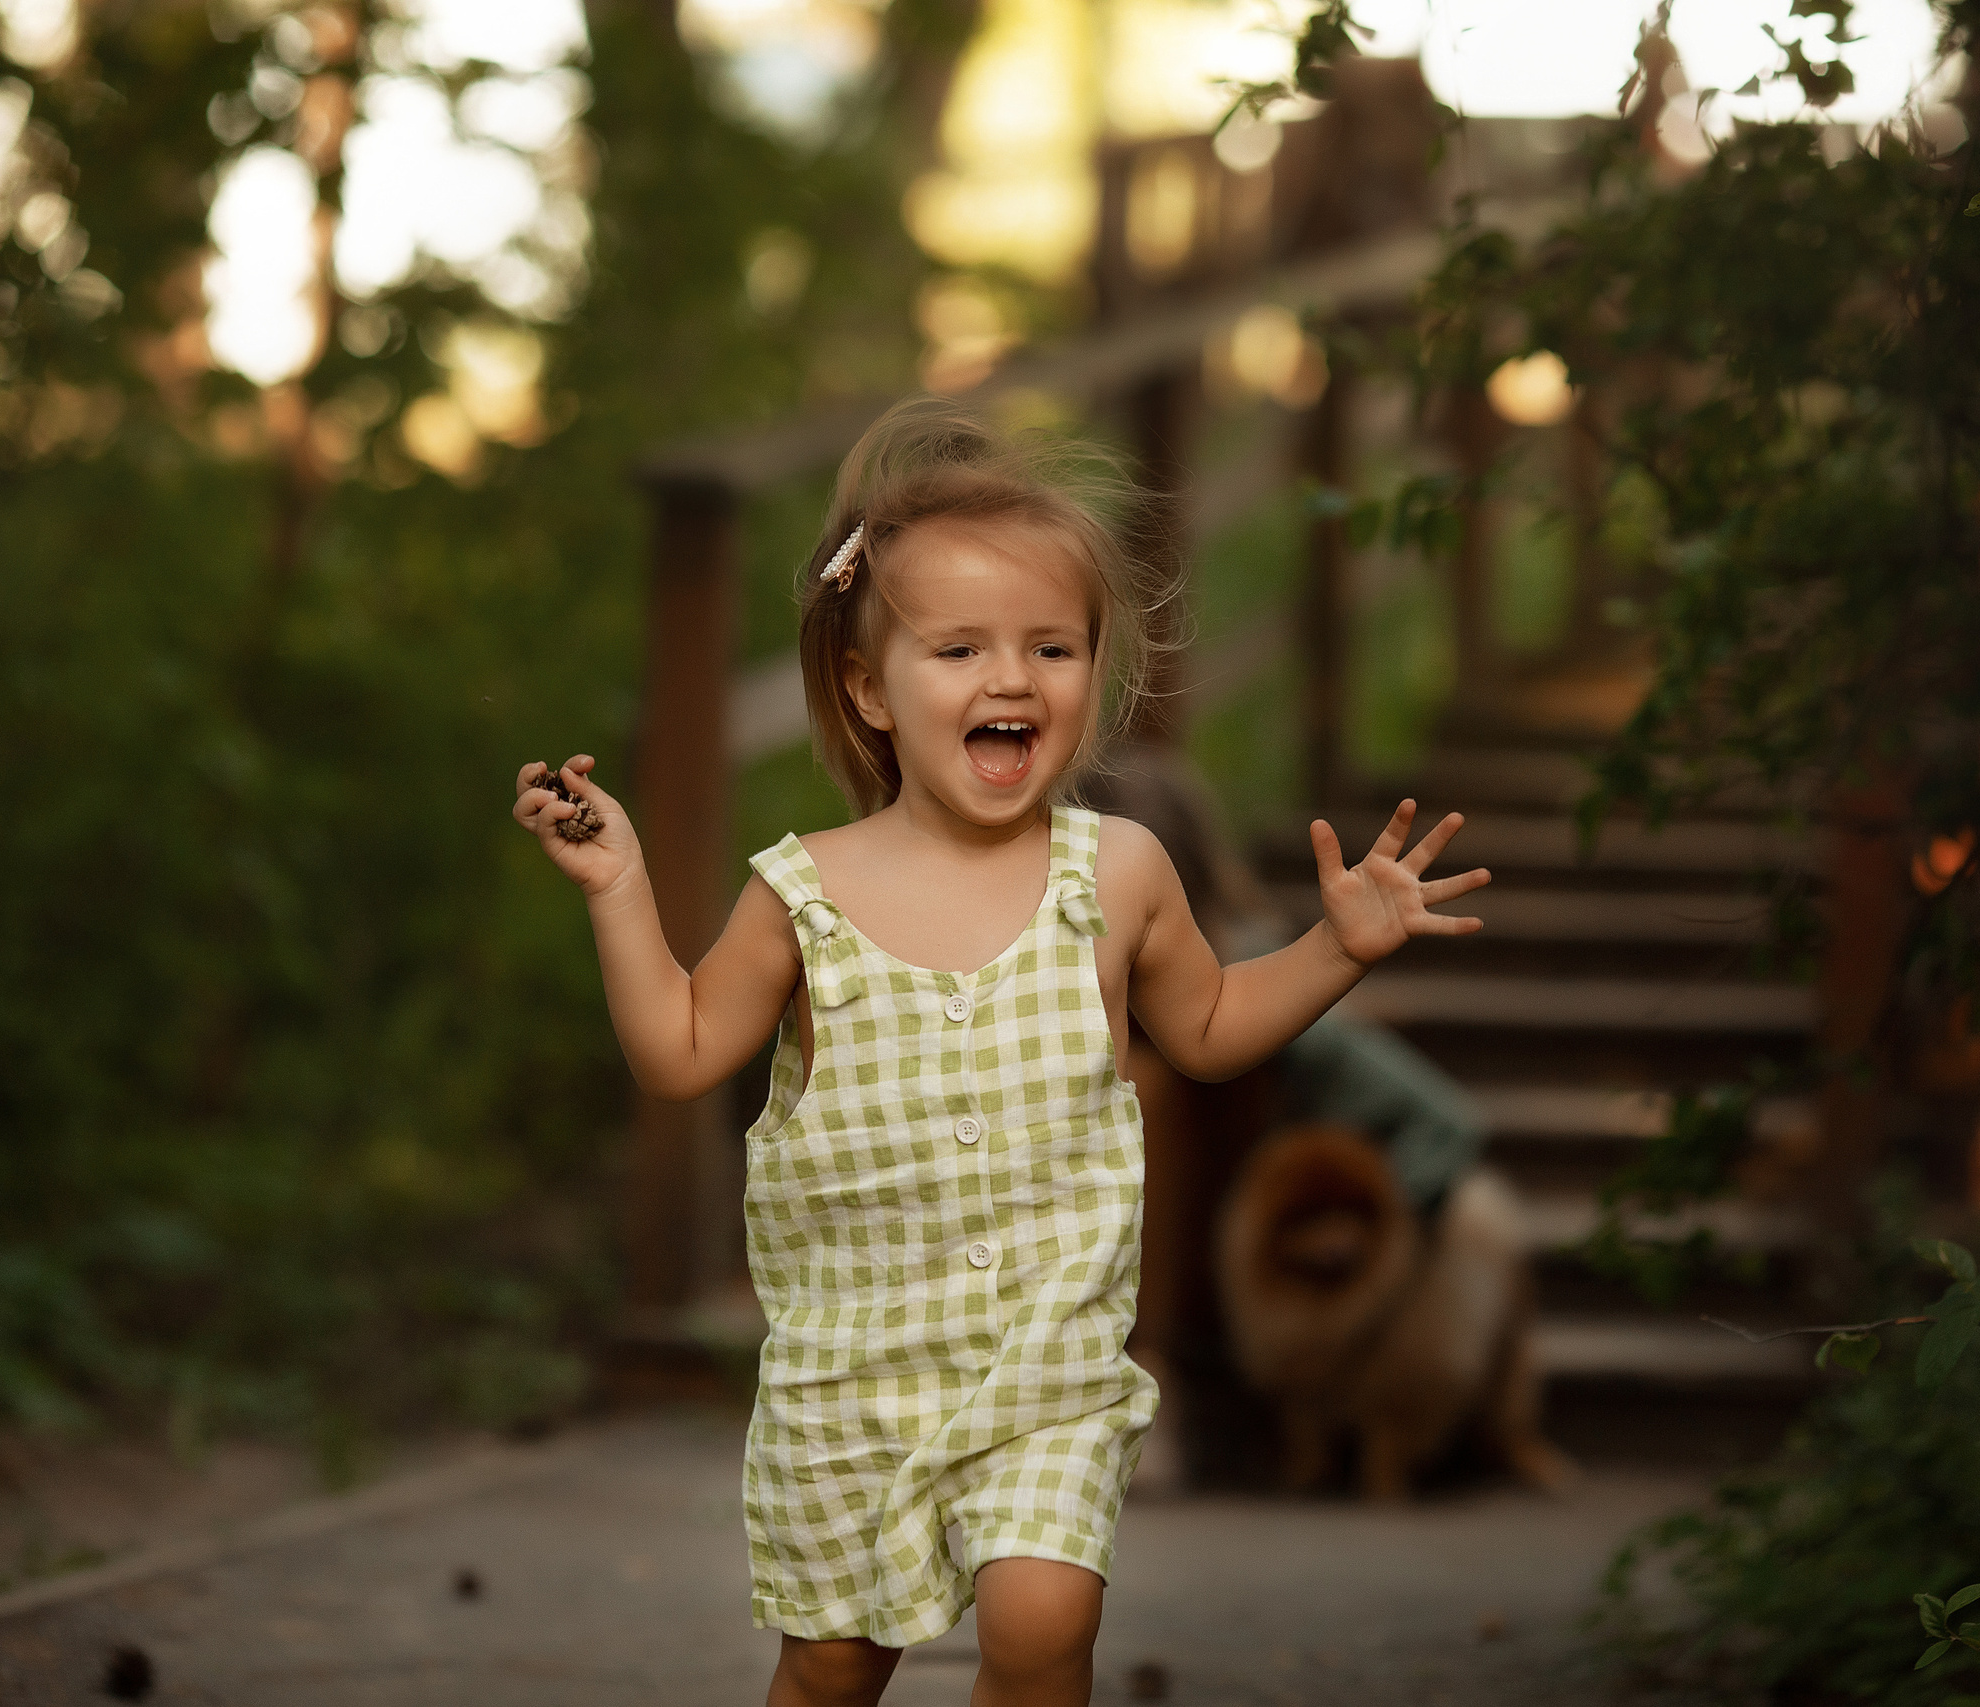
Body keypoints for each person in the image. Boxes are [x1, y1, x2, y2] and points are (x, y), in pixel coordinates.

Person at [514, 400, 1489, 1707]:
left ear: (1094, 675)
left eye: (1052, 646)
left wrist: (1334, 948)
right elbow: (682, 1053)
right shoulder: (801, 893)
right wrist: (619, 886)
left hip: (1049, 1364)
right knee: (834, 1667)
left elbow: (1205, 1031)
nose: (1011, 678)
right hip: (852, 1378)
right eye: (958, 647)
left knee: (1041, 1627)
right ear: (868, 687)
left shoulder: (1120, 873)